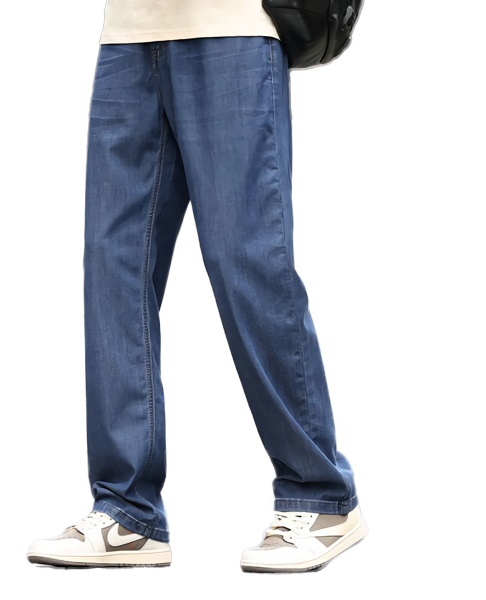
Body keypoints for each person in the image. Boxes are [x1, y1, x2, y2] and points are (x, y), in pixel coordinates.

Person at [27, 1, 368, 572]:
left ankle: (322, 497)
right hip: (128, 34)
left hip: (232, 28)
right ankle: (126, 512)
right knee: (113, 268)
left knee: (246, 261)